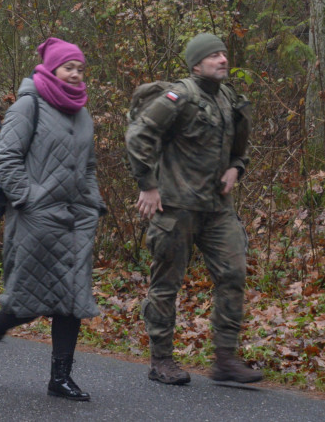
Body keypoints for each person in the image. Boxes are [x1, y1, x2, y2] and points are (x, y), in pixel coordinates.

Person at [0, 37, 104, 401]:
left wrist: (94, 201)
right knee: (30, 296)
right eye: (69, 67)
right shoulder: (28, 105)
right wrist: (28, 200)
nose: (76, 74)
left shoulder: (81, 111)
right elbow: (7, 159)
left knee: (73, 297)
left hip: (77, 218)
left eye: (80, 68)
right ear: (51, 68)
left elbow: (89, 165)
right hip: (36, 218)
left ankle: (59, 378)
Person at [125, 33, 260, 385]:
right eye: (213, 55)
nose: (222, 59)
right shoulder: (179, 97)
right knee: (166, 284)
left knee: (233, 275)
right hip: (176, 208)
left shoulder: (229, 98)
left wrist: (236, 168)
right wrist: (148, 186)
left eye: (224, 54)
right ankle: (161, 360)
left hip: (217, 209)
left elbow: (240, 148)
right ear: (196, 63)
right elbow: (139, 136)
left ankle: (225, 359)